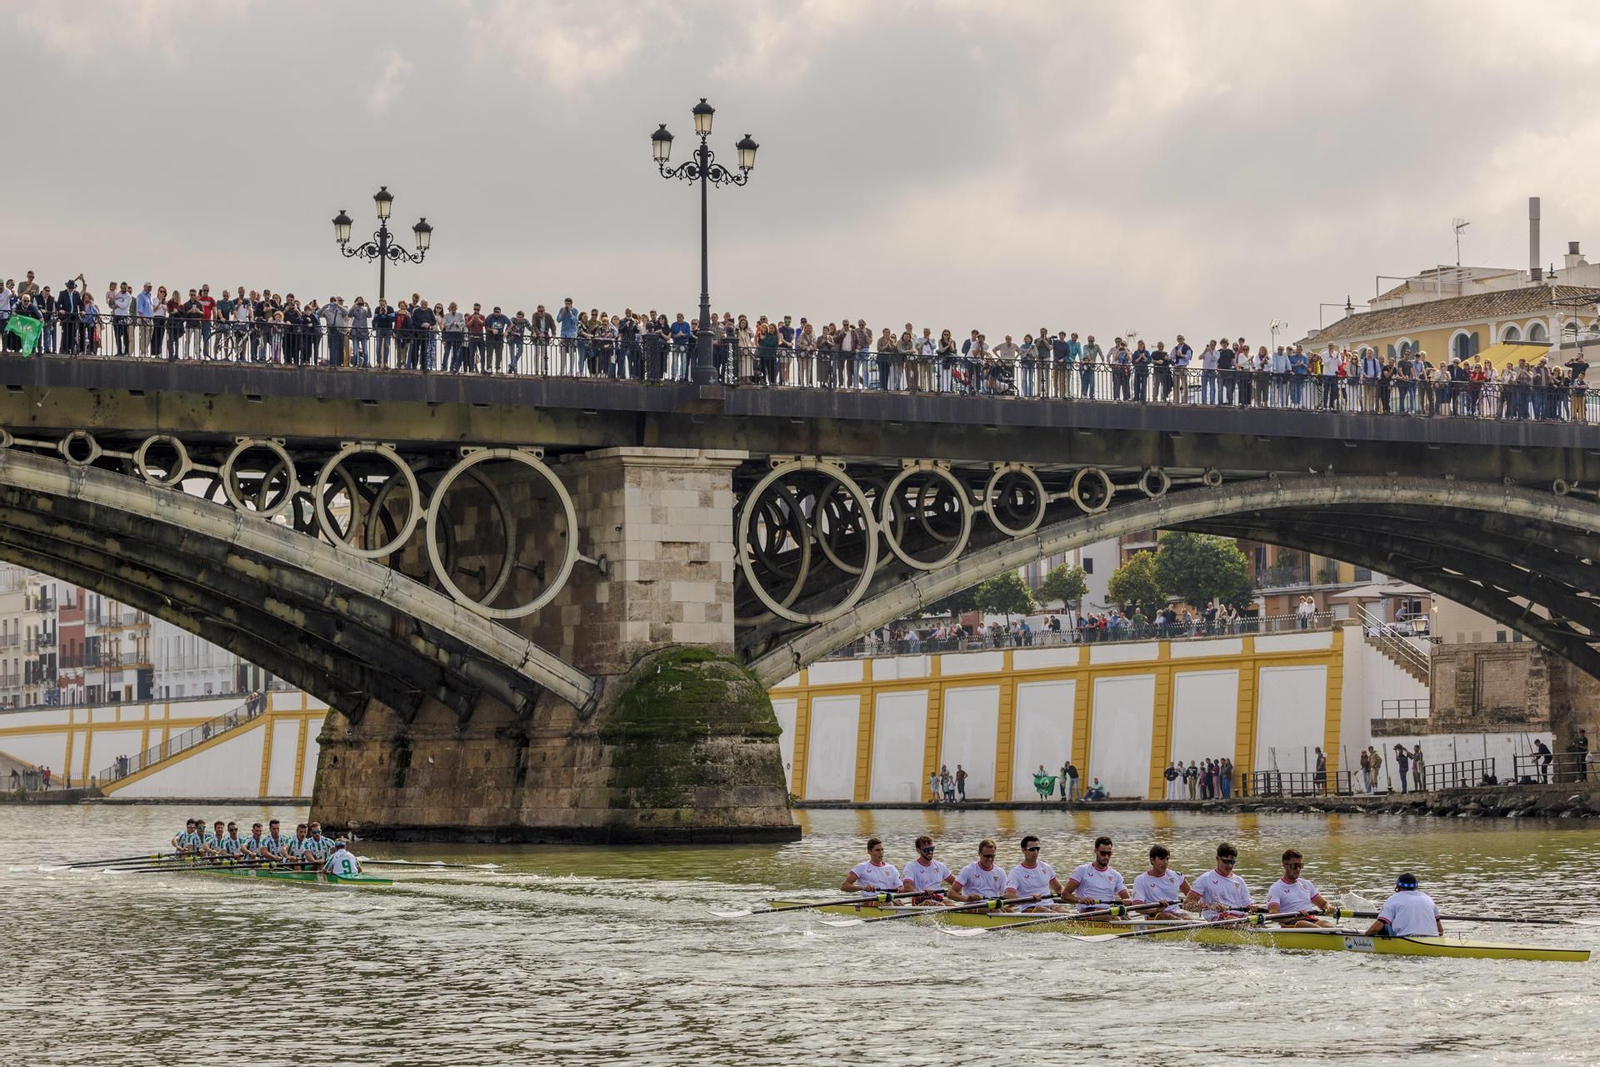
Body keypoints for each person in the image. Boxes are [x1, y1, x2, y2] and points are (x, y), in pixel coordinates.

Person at [1061, 836, 1132, 912]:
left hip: (1109, 911)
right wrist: (1080, 900)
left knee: (1124, 915)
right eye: (1103, 853)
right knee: (1114, 916)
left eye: (1109, 853)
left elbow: (1126, 898)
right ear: (1095, 851)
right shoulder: (1082, 870)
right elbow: (1065, 895)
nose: (1106, 857)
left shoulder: (1116, 875)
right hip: (1088, 911)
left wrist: (1127, 901)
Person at [1186, 842, 1253, 920]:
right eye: (1225, 861)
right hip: (1218, 919)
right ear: (1217, 859)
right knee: (1234, 919)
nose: (1229, 866)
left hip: (1238, 918)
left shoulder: (1239, 881)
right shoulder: (1205, 879)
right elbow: (1187, 905)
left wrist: (1253, 907)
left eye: (1232, 862)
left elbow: (1248, 906)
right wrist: (1209, 907)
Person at [1266, 848, 1332, 927]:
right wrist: (1295, 916)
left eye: (1300, 866)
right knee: (1301, 923)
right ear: (1285, 865)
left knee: (1325, 923)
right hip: (1292, 924)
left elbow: (1324, 904)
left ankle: (1335, 933)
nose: (1298, 869)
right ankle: (1324, 933)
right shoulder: (1276, 888)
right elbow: (1273, 914)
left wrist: (1328, 907)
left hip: (1311, 921)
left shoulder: (1307, 884)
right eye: (1294, 866)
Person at [1365, 872, 1442, 938]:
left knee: (1385, 923)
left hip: (1406, 940)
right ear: (1416, 886)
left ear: (1397, 886)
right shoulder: (1428, 899)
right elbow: (1440, 931)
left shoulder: (1393, 899)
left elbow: (1376, 928)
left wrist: (1365, 936)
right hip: (1432, 939)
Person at [1004, 835, 1067, 911]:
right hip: (1029, 908)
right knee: (1042, 909)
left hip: (1050, 905)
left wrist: (1064, 892)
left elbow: (1059, 888)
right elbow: (1009, 895)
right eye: (1032, 849)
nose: (1036, 852)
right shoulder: (1016, 872)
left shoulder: (1046, 867)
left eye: (1037, 849)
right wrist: (1028, 899)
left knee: (1064, 911)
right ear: (1023, 850)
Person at [1131, 844, 1190, 919]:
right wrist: (1157, 909)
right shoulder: (1141, 880)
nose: (1165, 862)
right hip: (1154, 916)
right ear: (1152, 860)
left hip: (1176, 914)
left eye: (1167, 859)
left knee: (1186, 917)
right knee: (1166, 916)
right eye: (1162, 859)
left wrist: (1194, 904)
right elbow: (1137, 908)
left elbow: (1192, 896)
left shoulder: (1176, 876)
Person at [900, 835, 955, 903]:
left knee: (950, 903)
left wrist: (953, 891)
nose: (930, 852)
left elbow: (955, 883)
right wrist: (921, 895)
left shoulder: (940, 866)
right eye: (926, 850)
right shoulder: (911, 866)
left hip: (937, 898)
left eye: (931, 849)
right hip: (920, 900)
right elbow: (907, 886)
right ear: (918, 850)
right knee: (933, 903)